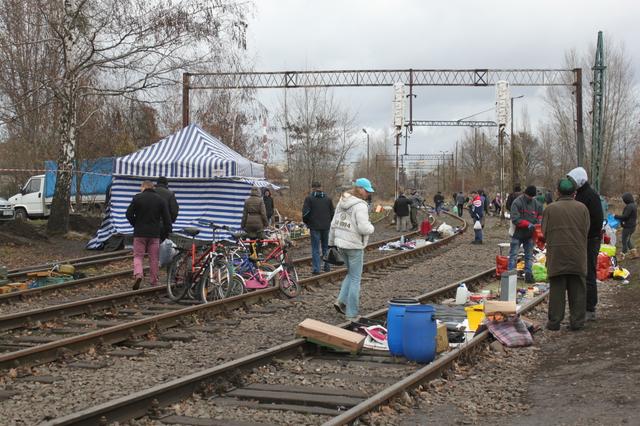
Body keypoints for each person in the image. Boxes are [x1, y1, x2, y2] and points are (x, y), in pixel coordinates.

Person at [542, 178, 590, 331]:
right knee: (578, 291)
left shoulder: (550, 209)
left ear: (558, 192)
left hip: (557, 256)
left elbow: (544, 231)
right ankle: (577, 322)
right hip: (577, 255)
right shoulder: (582, 208)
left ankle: (554, 322)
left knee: (557, 291)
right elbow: (586, 229)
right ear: (575, 193)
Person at [329, 178, 375, 321]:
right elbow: (363, 227)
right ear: (360, 189)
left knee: (350, 274)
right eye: (366, 190)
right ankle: (352, 313)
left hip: (341, 244)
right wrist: (372, 227)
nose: (368, 193)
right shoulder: (361, 206)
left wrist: (331, 243)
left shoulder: (342, 202)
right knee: (356, 278)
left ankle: (341, 301)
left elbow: (333, 223)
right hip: (354, 246)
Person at [566, 166, 604, 321]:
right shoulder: (583, 194)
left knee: (588, 273)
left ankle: (589, 308)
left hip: (589, 240)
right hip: (585, 239)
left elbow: (595, 221)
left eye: (572, 180)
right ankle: (584, 307)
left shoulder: (589, 196)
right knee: (584, 273)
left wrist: (581, 235)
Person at [126, 180, 172, 289]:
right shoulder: (160, 200)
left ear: (144, 187)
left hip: (139, 233)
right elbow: (167, 218)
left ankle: (138, 274)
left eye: (140, 188)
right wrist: (167, 231)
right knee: (154, 258)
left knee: (138, 256)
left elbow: (128, 214)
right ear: (153, 188)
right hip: (154, 234)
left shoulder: (137, 198)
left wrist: (135, 223)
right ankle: (154, 281)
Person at [508, 185, 543, 283]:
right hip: (517, 234)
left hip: (529, 235)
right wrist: (527, 224)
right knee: (513, 255)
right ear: (525, 193)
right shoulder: (517, 202)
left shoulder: (536, 204)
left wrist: (539, 223)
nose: (530, 199)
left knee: (529, 256)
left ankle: (528, 275)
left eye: (532, 197)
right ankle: (511, 276)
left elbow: (540, 214)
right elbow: (515, 219)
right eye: (529, 197)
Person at [302, 181, 335, 275]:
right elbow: (332, 213)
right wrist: (328, 222)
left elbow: (305, 213)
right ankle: (327, 267)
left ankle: (316, 269)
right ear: (321, 187)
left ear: (313, 188)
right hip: (326, 226)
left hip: (314, 227)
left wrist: (307, 222)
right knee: (325, 247)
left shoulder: (309, 198)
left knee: (316, 249)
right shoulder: (328, 199)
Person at [614, 192, 637, 260]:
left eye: (624, 199)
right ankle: (634, 254)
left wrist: (615, 216)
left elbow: (625, 216)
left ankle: (621, 257)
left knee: (624, 241)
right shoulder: (633, 205)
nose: (623, 201)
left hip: (628, 227)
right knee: (628, 240)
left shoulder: (629, 206)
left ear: (627, 199)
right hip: (632, 226)